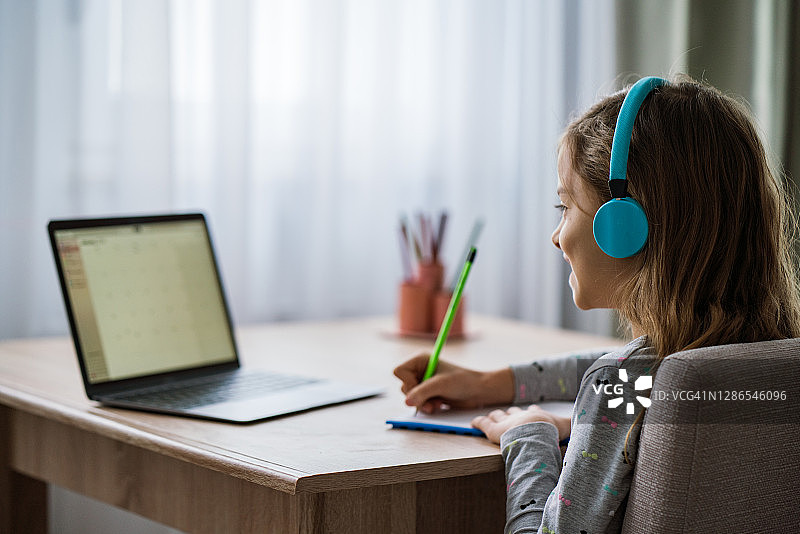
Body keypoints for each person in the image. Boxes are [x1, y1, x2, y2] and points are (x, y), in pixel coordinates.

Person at [393, 74, 800, 533]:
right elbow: (642, 376)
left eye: (564, 207)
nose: (556, 235)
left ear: (622, 227)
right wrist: (496, 384)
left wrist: (527, 437)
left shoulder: (624, 384)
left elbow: (616, 379)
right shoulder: (761, 359)